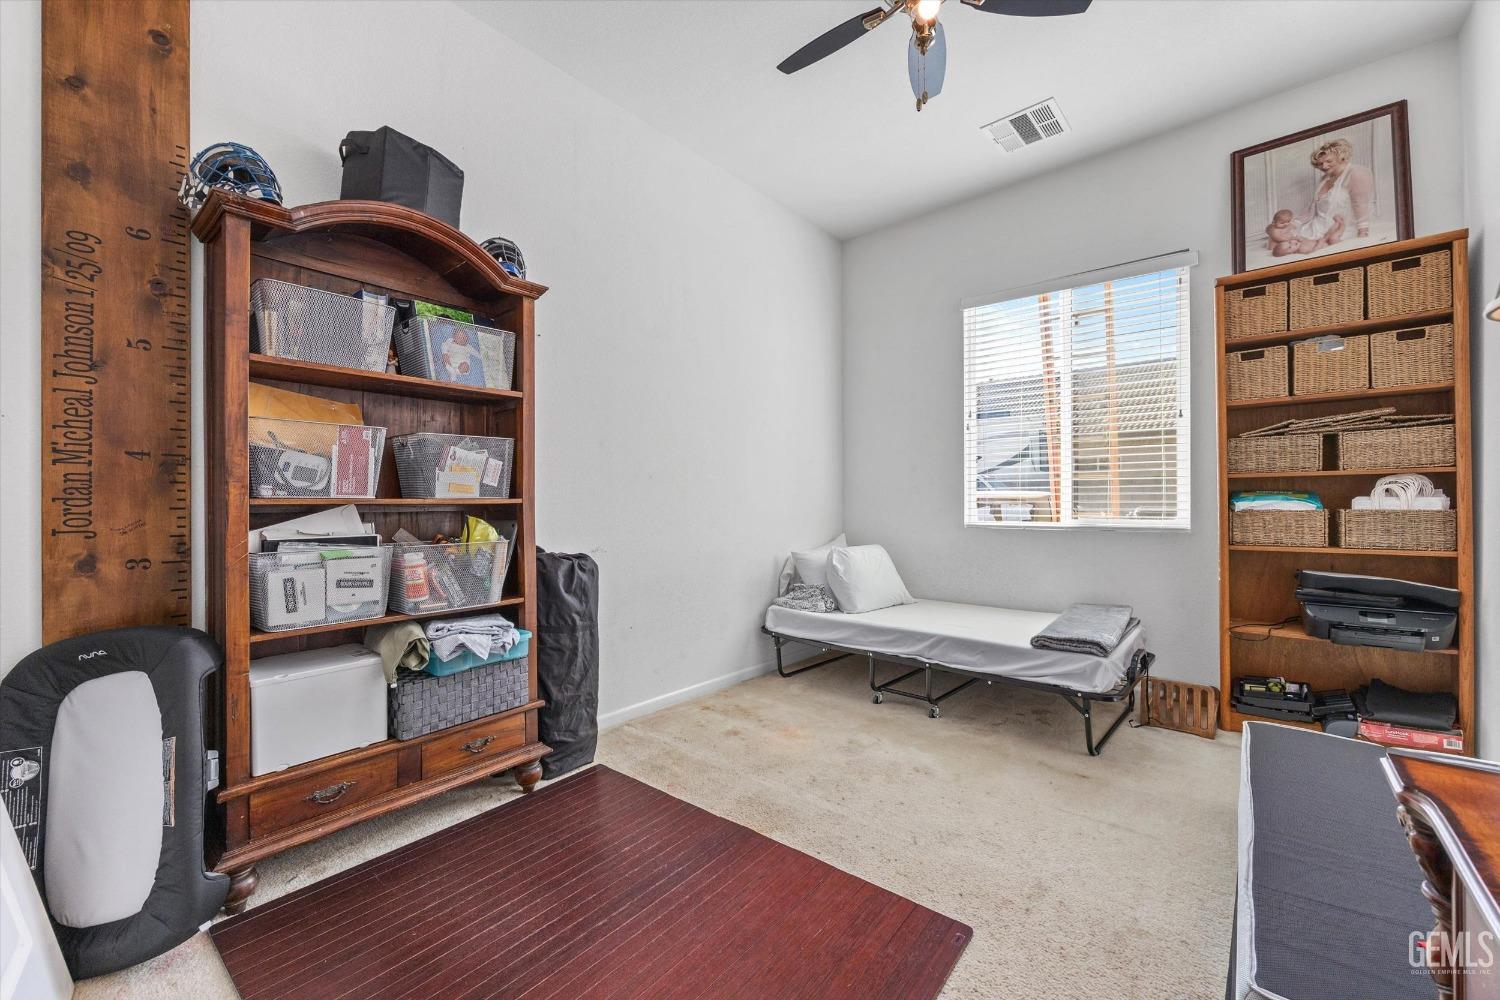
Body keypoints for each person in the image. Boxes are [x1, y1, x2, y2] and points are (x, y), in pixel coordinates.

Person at [1270, 137, 1374, 257]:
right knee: (1273, 232)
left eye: (1329, 161)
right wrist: (1295, 223)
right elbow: (1312, 209)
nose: (1324, 166)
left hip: (1338, 229)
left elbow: (1360, 203)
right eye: (1320, 164)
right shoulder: (1324, 179)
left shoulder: (1357, 173)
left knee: (1291, 244)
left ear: (1341, 157)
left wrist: (1363, 232)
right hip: (1316, 227)